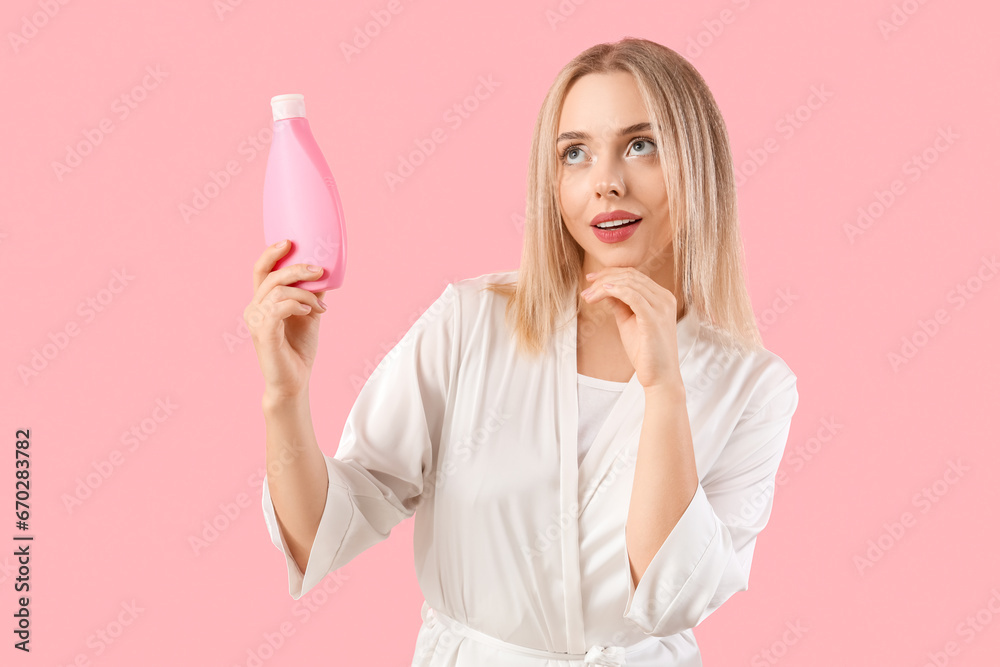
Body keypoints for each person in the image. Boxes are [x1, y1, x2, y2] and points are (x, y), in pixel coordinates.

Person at [245, 37, 799, 667]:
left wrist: (664, 387)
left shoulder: (753, 387)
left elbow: (670, 594)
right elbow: (323, 530)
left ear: (698, 163)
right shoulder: (470, 324)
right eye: (575, 154)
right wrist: (283, 398)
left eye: (640, 145)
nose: (606, 183)